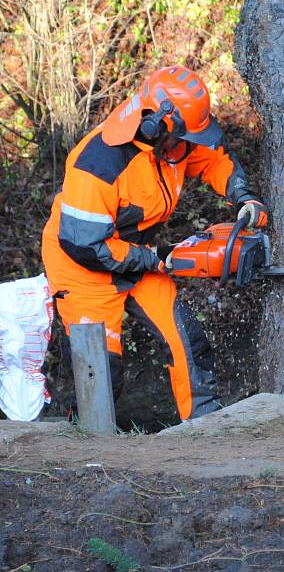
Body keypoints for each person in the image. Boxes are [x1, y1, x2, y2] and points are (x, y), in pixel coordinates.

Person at [41, 65, 268, 421]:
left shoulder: (175, 145)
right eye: (182, 139)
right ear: (156, 126)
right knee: (100, 372)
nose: (187, 147)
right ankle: (83, 441)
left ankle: (205, 425)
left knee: (186, 339)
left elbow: (213, 160)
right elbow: (85, 245)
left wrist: (243, 196)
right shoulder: (98, 164)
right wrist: (157, 258)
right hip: (83, 266)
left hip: (138, 255)